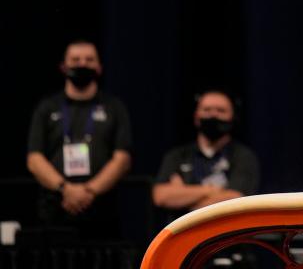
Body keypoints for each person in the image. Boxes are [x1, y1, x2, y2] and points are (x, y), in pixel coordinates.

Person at [25, 40, 132, 239]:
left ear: (99, 68)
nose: (82, 64)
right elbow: (34, 159)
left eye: (89, 60)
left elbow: (122, 159)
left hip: (101, 212)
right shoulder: (47, 107)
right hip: (54, 209)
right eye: (75, 60)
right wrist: (66, 189)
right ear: (63, 67)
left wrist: (89, 191)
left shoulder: (114, 107)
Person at [152, 90, 259, 222]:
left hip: (229, 236)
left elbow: (234, 199)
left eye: (221, 111)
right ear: (196, 117)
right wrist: (211, 191)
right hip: (183, 238)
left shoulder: (243, 156)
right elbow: (161, 196)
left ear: (233, 117)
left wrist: (183, 196)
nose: (213, 115)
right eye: (207, 110)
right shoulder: (177, 156)